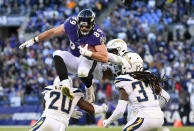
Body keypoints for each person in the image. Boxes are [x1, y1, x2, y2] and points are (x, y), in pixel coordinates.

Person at [19, 9, 108, 103]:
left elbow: (104, 57)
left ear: (93, 24)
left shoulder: (97, 34)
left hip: (88, 60)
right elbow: (53, 32)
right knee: (57, 54)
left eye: (87, 27)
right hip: (75, 58)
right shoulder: (71, 24)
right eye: (82, 26)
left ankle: (89, 91)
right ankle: (66, 84)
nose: (84, 29)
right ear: (78, 23)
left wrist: (88, 53)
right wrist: (35, 40)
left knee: (82, 72)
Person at [103, 52, 170, 131]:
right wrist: (153, 108)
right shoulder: (147, 77)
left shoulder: (124, 80)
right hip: (159, 117)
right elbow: (166, 96)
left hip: (144, 118)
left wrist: (108, 121)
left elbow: (120, 110)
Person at [29, 77, 108, 131]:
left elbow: (45, 106)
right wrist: (103, 108)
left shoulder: (49, 90)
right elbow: (90, 109)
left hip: (47, 119)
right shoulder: (74, 92)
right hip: (61, 125)